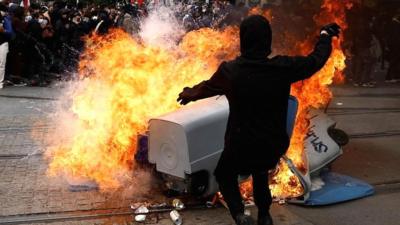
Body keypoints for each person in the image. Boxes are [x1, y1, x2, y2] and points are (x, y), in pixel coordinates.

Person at [177, 15, 339, 225]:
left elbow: (204, 89)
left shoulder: (231, 71)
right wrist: (325, 36)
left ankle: (239, 214)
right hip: (272, 145)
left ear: (243, 40)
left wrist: (188, 93)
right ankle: (264, 215)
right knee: (260, 173)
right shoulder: (283, 67)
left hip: (239, 145)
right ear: (267, 40)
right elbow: (316, 60)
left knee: (225, 175)